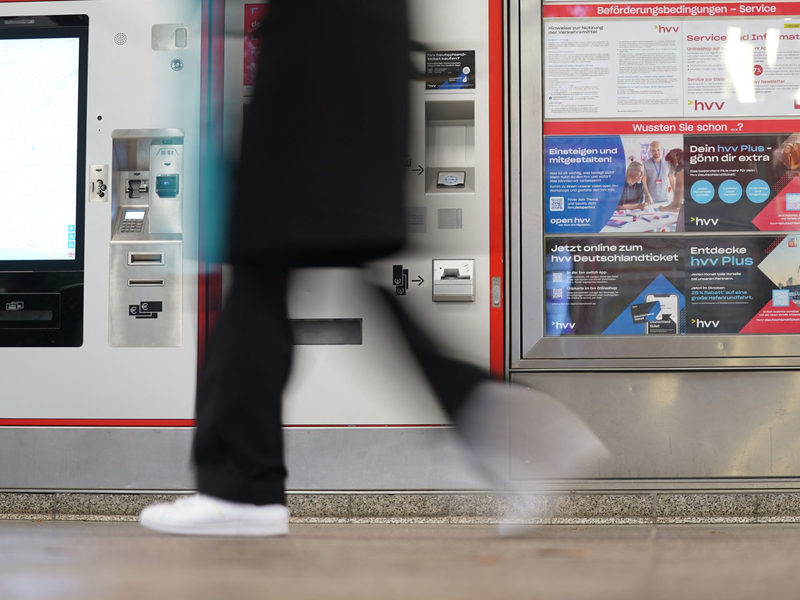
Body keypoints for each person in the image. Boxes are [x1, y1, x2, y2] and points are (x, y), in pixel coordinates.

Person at [140, 0, 608, 537]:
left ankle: (241, 486)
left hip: (317, 57)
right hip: (361, 62)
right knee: (311, 257)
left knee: (262, 258)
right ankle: (497, 417)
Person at [643, 141, 670, 205]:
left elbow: (672, 180)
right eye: (654, 150)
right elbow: (643, 182)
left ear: (662, 149)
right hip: (651, 200)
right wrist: (648, 196)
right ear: (650, 151)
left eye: (658, 150)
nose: (656, 152)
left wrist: (675, 196)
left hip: (666, 199)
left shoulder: (668, 163)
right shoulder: (645, 164)